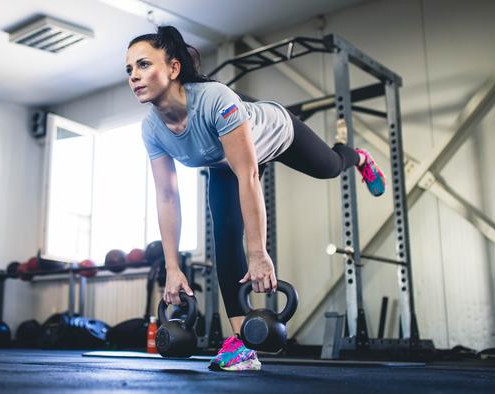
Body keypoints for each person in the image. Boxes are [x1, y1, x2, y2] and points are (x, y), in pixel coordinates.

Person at [125, 26, 386, 371]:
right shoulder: (151, 129)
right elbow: (168, 196)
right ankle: (241, 346)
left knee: (330, 167)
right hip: (223, 161)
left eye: (143, 65)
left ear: (173, 68)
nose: (134, 76)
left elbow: (248, 175)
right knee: (225, 231)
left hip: (276, 134)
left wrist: (259, 254)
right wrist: (172, 269)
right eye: (129, 69)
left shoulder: (215, 100)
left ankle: (360, 157)